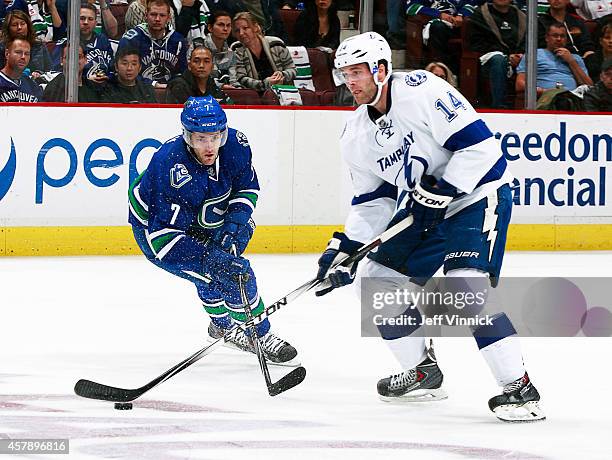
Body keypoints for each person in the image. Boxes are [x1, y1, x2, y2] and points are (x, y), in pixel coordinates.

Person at [315, 32, 545, 422]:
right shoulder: (355, 134)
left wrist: (445, 187)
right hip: (425, 210)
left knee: (464, 288)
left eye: (357, 72)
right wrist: (346, 246)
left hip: (475, 196)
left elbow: (482, 149)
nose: (350, 82)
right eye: (345, 74)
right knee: (375, 281)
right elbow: (374, 201)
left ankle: (518, 387)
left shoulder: (422, 91)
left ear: (381, 70)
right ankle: (422, 371)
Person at [128, 95, 299, 365]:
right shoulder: (169, 164)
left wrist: (234, 223)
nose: (210, 146)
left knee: (224, 263)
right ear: (187, 136)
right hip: (157, 233)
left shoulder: (236, 146)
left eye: (215, 137)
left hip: (206, 219)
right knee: (229, 273)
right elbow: (164, 240)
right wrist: (211, 259)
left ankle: (222, 328)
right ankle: (260, 335)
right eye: (201, 139)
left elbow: (247, 187)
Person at [468, 0, 526, 108]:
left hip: (518, 60)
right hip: (489, 60)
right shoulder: (480, 14)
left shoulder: (522, 17)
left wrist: (520, 55)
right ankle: (500, 106)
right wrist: (507, 56)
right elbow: (476, 43)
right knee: (498, 59)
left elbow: (527, 41)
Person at [118, 0, 188, 89]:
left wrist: (172, 85)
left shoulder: (178, 40)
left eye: (162, 15)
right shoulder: (131, 39)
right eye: (153, 14)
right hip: (137, 90)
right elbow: (123, 73)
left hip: (170, 91)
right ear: (146, 15)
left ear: (169, 17)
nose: (157, 19)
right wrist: (154, 84)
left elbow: (182, 72)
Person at [516, 22, 593, 95]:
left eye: (562, 36)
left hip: (572, 99)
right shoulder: (533, 54)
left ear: (566, 39)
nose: (559, 39)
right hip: (544, 97)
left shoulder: (575, 58)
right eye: (555, 36)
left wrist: (571, 61)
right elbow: (520, 84)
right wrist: (545, 92)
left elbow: (589, 87)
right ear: (546, 38)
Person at [231, 11, 296, 92]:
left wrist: (282, 75)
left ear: (255, 27)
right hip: (254, 95)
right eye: (237, 30)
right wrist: (265, 84)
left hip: (282, 91)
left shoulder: (276, 43)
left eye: (245, 28)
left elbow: (293, 70)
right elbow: (240, 78)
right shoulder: (236, 48)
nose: (241, 33)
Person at [166, 41, 233, 104]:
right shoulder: (178, 85)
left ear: (212, 67)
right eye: (196, 61)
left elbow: (231, 107)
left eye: (206, 61)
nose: (201, 65)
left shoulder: (214, 87)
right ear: (189, 65)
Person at [0, 9, 52, 78]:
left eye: (22, 24)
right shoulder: (2, 47)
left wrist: (39, 73)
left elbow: (49, 69)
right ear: (8, 29)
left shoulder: (39, 45)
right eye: (14, 25)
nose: (19, 27)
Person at [0, 37, 42, 102]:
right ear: (7, 54)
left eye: (27, 54)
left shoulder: (32, 85)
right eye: (18, 52)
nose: (23, 57)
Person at [203, 9, 237, 88]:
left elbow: (233, 80)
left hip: (225, 93)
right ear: (210, 28)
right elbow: (198, 77)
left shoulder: (231, 53)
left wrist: (236, 89)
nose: (225, 29)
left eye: (228, 25)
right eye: (221, 25)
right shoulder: (198, 47)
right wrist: (222, 86)